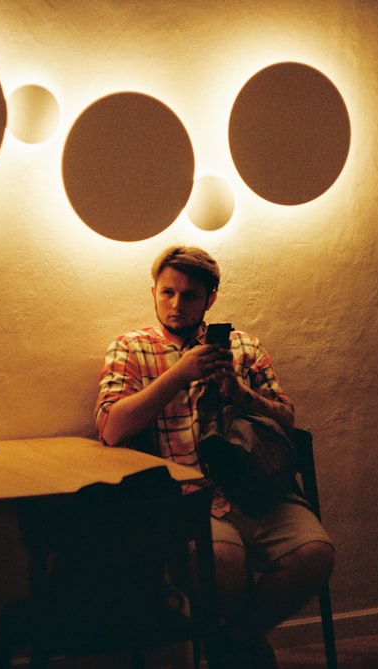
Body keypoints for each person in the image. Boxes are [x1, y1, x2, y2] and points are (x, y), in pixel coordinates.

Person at [95, 246, 334, 668]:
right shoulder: (132, 347)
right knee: (222, 563)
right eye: (167, 292)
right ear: (153, 291)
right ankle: (244, 647)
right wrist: (179, 374)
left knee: (316, 553)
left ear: (211, 299)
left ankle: (234, 641)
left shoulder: (243, 346)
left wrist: (241, 394)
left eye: (190, 296)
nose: (176, 305)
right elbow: (112, 428)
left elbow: (289, 419)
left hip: (255, 485)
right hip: (186, 495)